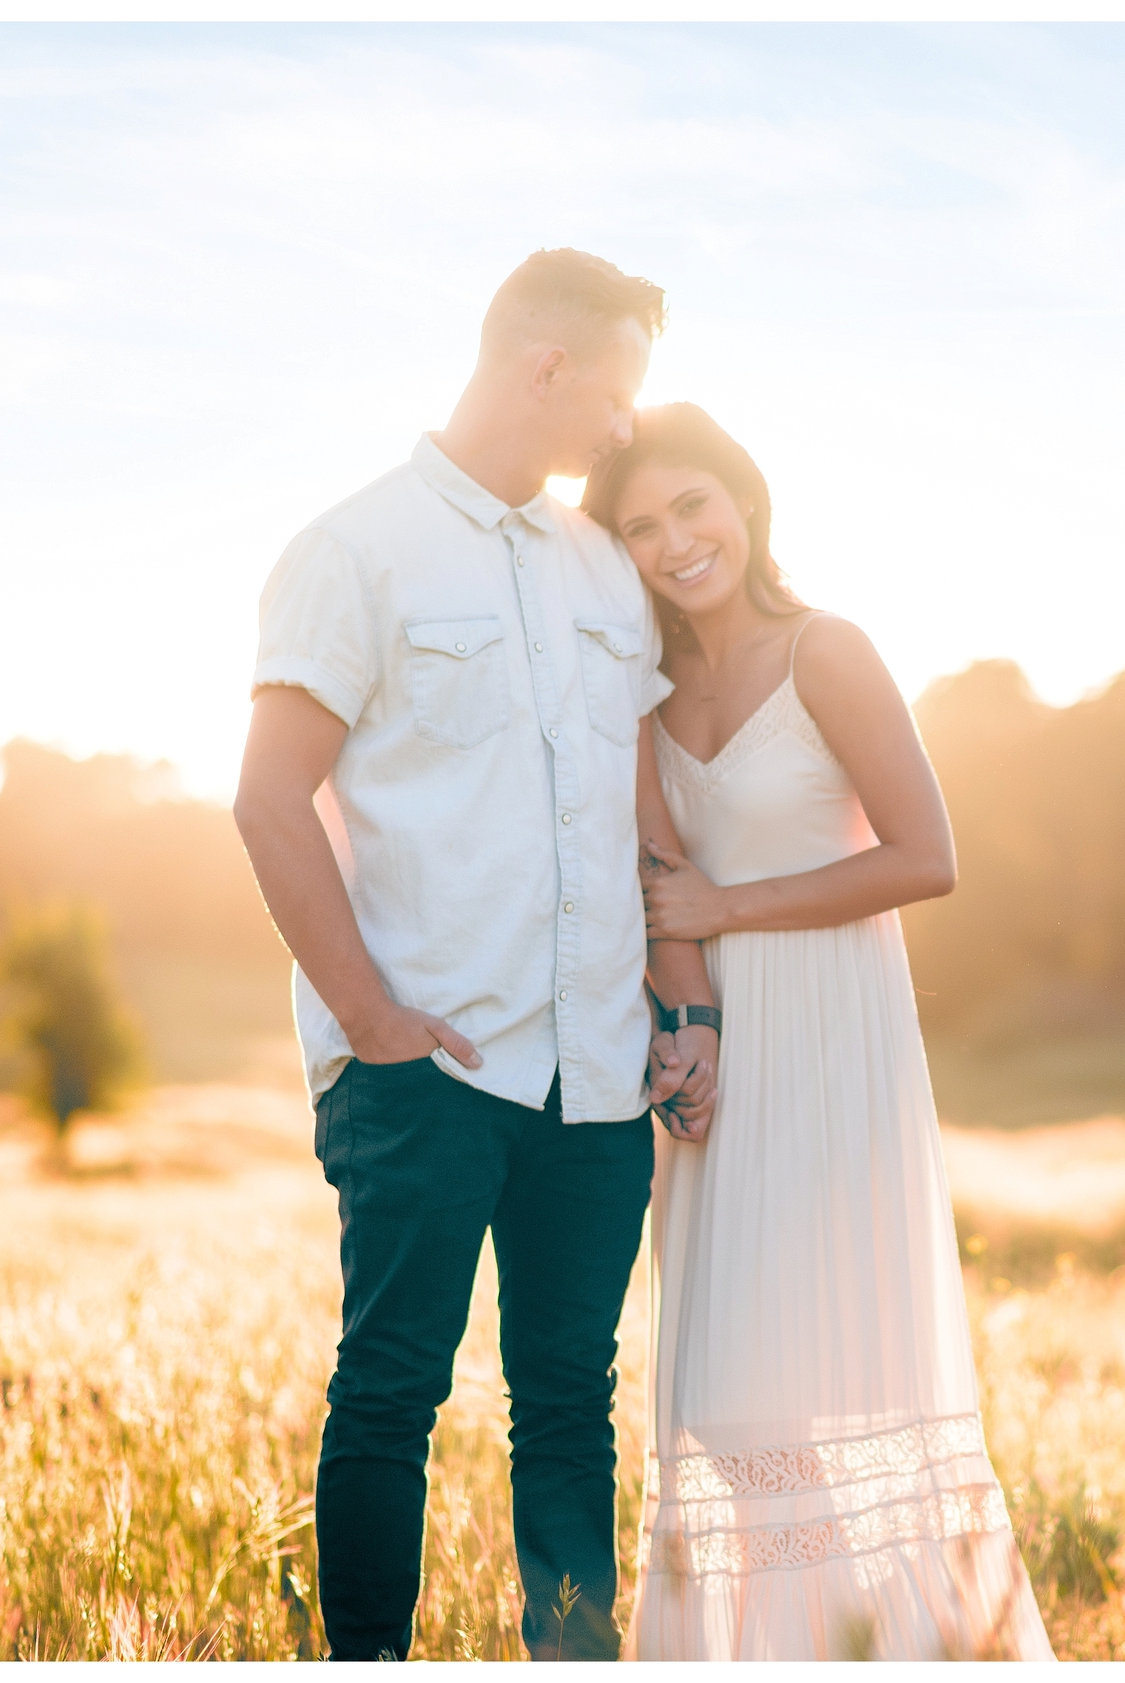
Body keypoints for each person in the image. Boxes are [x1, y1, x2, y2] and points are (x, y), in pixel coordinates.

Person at [233, 249, 718, 1661]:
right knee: (390, 1387)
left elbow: (642, 814)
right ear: (545, 368)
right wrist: (370, 1014)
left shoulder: (599, 571)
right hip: (425, 1067)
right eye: (615, 394)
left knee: (568, 1396)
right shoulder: (354, 551)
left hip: (596, 1078)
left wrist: (681, 1008)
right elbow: (268, 799)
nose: (625, 428)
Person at [585, 404, 1053, 1660]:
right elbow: (654, 872)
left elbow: (927, 858)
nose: (676, 541)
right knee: (728, 1409)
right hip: (723, 1063)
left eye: (693, 506)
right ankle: (838, 1640)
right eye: (639, 527)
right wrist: (687, 1024)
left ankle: (871, 1644)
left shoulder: (825, 650)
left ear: (745, 504)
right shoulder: (643, 690)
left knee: (791, 1388)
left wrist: (729, 909)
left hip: (834, 1043)